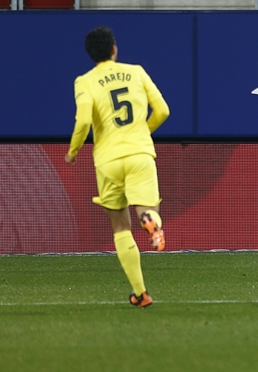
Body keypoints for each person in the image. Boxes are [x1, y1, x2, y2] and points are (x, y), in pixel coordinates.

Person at [65, 26, 170, 307]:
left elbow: (84, 121)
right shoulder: (136, 71)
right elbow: (163, 111)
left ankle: (140, 293)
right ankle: (152, 223)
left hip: (107, 160)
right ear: (114, 49)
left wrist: (73, 151)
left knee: (120, 226)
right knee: (147, 209)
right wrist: (142, 132)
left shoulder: (84, 81)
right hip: (139, 153)